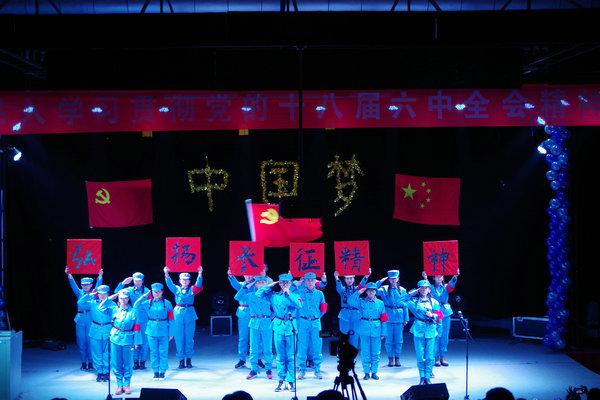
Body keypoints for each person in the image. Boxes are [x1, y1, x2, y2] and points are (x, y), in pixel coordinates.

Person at [256, 273, 303, 392]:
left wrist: (289, 295)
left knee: (290, 357)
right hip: (278, 326)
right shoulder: (274, 296)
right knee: (280, 356)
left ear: (291, 283)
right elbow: (258, 294)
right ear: (280, 283)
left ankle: (290, 381)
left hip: (290, 327)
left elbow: (299, 305)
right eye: (282, 282)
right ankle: (281, 380)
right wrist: (270, 285)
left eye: (287, 282)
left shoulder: (296, 295)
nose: (285, 284)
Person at [397, 279, 444, 385]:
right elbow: (399, 301)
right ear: (419, 289)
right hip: (419, 329)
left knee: (430, 356)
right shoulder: (414, 301)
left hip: (431, 329)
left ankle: (427, 376)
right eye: (421, 288)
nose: (424, 290)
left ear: (429, 290)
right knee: (420, 355)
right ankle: (422, 376)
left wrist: (432, 315)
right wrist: (412, 292)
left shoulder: (434, 302)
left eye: (426, 288)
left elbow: (440, 316)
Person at [101, 289, 142, 396]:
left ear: (128, 299)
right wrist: (111, 297)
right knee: (116, 362)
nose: (123, 300)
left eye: (125, 298)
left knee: (127, 363)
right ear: (118, 299)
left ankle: (127, 384)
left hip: (128, 339)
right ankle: (119, 384)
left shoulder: (133, 311)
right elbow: (100, 308)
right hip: (115, 338)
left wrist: (136, 341)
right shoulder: (113, 309)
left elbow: (137, 327)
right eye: (121, 298)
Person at [234, 275, 274, 380]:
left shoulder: (270, 296)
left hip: (266, 323)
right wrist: (246, 287)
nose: (261, 285)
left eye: (263, 283)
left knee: (267, 348)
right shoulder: (251, 295)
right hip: (254, 322)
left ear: (266, 284)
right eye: (258, 283)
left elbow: (275, 309)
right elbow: (237, 297)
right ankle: (253, 369)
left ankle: (268, 369)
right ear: (255, 284)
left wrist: (268, 318)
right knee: (253, 347)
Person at [164, 265, 203, 369]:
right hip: (178, 313)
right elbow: (169, 284)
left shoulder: (192, 289)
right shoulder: (176, 289)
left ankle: (189, 359)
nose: (185, 281)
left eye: (186, 280)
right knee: (179, 337)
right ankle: (181, 359)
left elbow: (198, 285)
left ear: (189, 281)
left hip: (189, 313)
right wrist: (166, 273)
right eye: (183, 280)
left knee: (189, 337)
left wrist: (200, 274)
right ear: (180, 281)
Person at [65, 266, 103, 371]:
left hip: (90, 319)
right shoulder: (79, 293)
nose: (85, 286)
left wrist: (100, 276)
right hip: (80, 319)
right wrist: (69, 275)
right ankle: (83, 362)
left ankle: (90, 363)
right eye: (83, 285)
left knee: (90, 341)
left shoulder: (94, 294)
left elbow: (98, 285)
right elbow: (73, 285)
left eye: (87, 284)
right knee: (81, 341)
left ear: (91, 285)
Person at [134, 282, 174, 381]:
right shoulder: (147, 303)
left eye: (159, 292)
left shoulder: (167, 303)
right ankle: (155, 371)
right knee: (154, 352)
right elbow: (136, 305)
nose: (156, 293)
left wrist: (171, 333)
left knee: (163, 352)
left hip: (164, 329)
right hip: (151, 330)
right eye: (154, 292)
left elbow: (171, 318)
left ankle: (163, 371)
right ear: (151, 292)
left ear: (162, 292)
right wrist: (144, 296)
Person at [347, 282, 387, 380]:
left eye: (373, 291)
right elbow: (350, 301)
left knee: (376, 352)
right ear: (366, 291)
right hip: (364, 328)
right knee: (365, 352)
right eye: (369, 290)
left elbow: (384, 319)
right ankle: (366, 372)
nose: (371, 292)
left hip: (376, 329)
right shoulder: (361, 302)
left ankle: (374, 372)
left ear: (376, 292)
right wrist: (358, 292)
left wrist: (383, 333)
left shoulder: (380, 303)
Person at [293, 272, 327, 380]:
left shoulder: (320, 294)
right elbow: (290, 291)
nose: (310, 282)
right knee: (302, 345)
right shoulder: (299, 292)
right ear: (305, 281)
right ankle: (302, 369)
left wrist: (316, 317)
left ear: (315, 281)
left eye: (312, 280)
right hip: (303, 321)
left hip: (316, 322)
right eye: (308, 280)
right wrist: (295, 283)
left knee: (317, 345)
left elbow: (323, 309)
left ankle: (317, 369)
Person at [422, 270, 459, 367]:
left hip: (445, 313)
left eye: (441, 276)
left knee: (445, 336)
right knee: (436, 335)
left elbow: (452, 284)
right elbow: (426, 288)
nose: (439, 278)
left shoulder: (446, 287)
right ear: (433, 278)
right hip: (435, 312)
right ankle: (436, 357)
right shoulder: (431, 287)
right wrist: (425, 277)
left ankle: (443, 356)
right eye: (437, 276)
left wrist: (455, 276)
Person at [115, 272, 150, 370]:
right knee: (133, 340)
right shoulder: (129, 290)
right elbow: (117, 292)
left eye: (139, 281)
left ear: (142, 281)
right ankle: (135, 361)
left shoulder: (147, 291)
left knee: (144, 341)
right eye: (135, 281)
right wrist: (123, 283)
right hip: (131, 318)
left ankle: (143, 361)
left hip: (143, 319)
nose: (137, 283)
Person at [376, 269, 409, 367]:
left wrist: (406, 318)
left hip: (399, 317)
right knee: (388, 340)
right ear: (388, 279)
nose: (393, 280)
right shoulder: (384, 289)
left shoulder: (403, 290)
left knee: (399, 340)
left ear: (398, 278)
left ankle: (397, 358)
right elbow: (373, 290)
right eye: (391, 279)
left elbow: (405, 304)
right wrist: (380, 281)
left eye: (395, 278)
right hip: (388, 317)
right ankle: (390, 359)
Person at [227, 269, 258, 369]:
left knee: (256, 338)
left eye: (250, 274)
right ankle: (242, 359)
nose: (248, 277)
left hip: (255, 312)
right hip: (244, 314)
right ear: (243, 275)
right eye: (246, 275)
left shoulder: (257, 284)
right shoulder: (241, 285)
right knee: (243, 337)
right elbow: (234, 283)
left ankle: (257, 359)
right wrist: (231, 276)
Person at [334, 268, 370, 350]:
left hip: (356, 316)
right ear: (344, 280)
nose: (349, 280)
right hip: (344, 315)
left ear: (354, 279)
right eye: (347, 279)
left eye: (351, 278)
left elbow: (362, 285)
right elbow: (338, 286)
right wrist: (336, 277)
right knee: (343, 335)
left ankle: (352, 355)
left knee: (355, 336)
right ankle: (343, 354)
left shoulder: (357, 289)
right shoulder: (342, 290)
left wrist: (366, 276)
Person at [87, 284, 114, 382]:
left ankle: (106, 371)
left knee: (107, 352)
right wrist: (90, 294)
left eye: (104, 294)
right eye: (100, 294)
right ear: (97, 294)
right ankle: (99, 372)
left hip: (107, 329)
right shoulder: (92, 302)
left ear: (108, 294)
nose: (102, 296)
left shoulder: (112, 304)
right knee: (96, 352)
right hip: (95, 329)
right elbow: (80, 302)